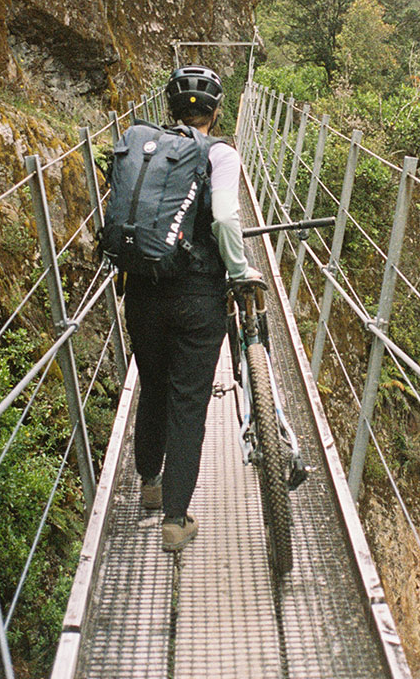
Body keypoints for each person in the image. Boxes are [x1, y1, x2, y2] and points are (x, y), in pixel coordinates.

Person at [122, 65, 261, 552]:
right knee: (188, 400)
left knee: (153, 384)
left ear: (169, 109)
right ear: (217, 112)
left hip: (141, 289)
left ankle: (149, 483)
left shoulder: (145, 149)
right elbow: (224, 215)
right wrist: (241, 271)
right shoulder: (220, 153)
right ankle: (177, 520)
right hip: (199, 296)